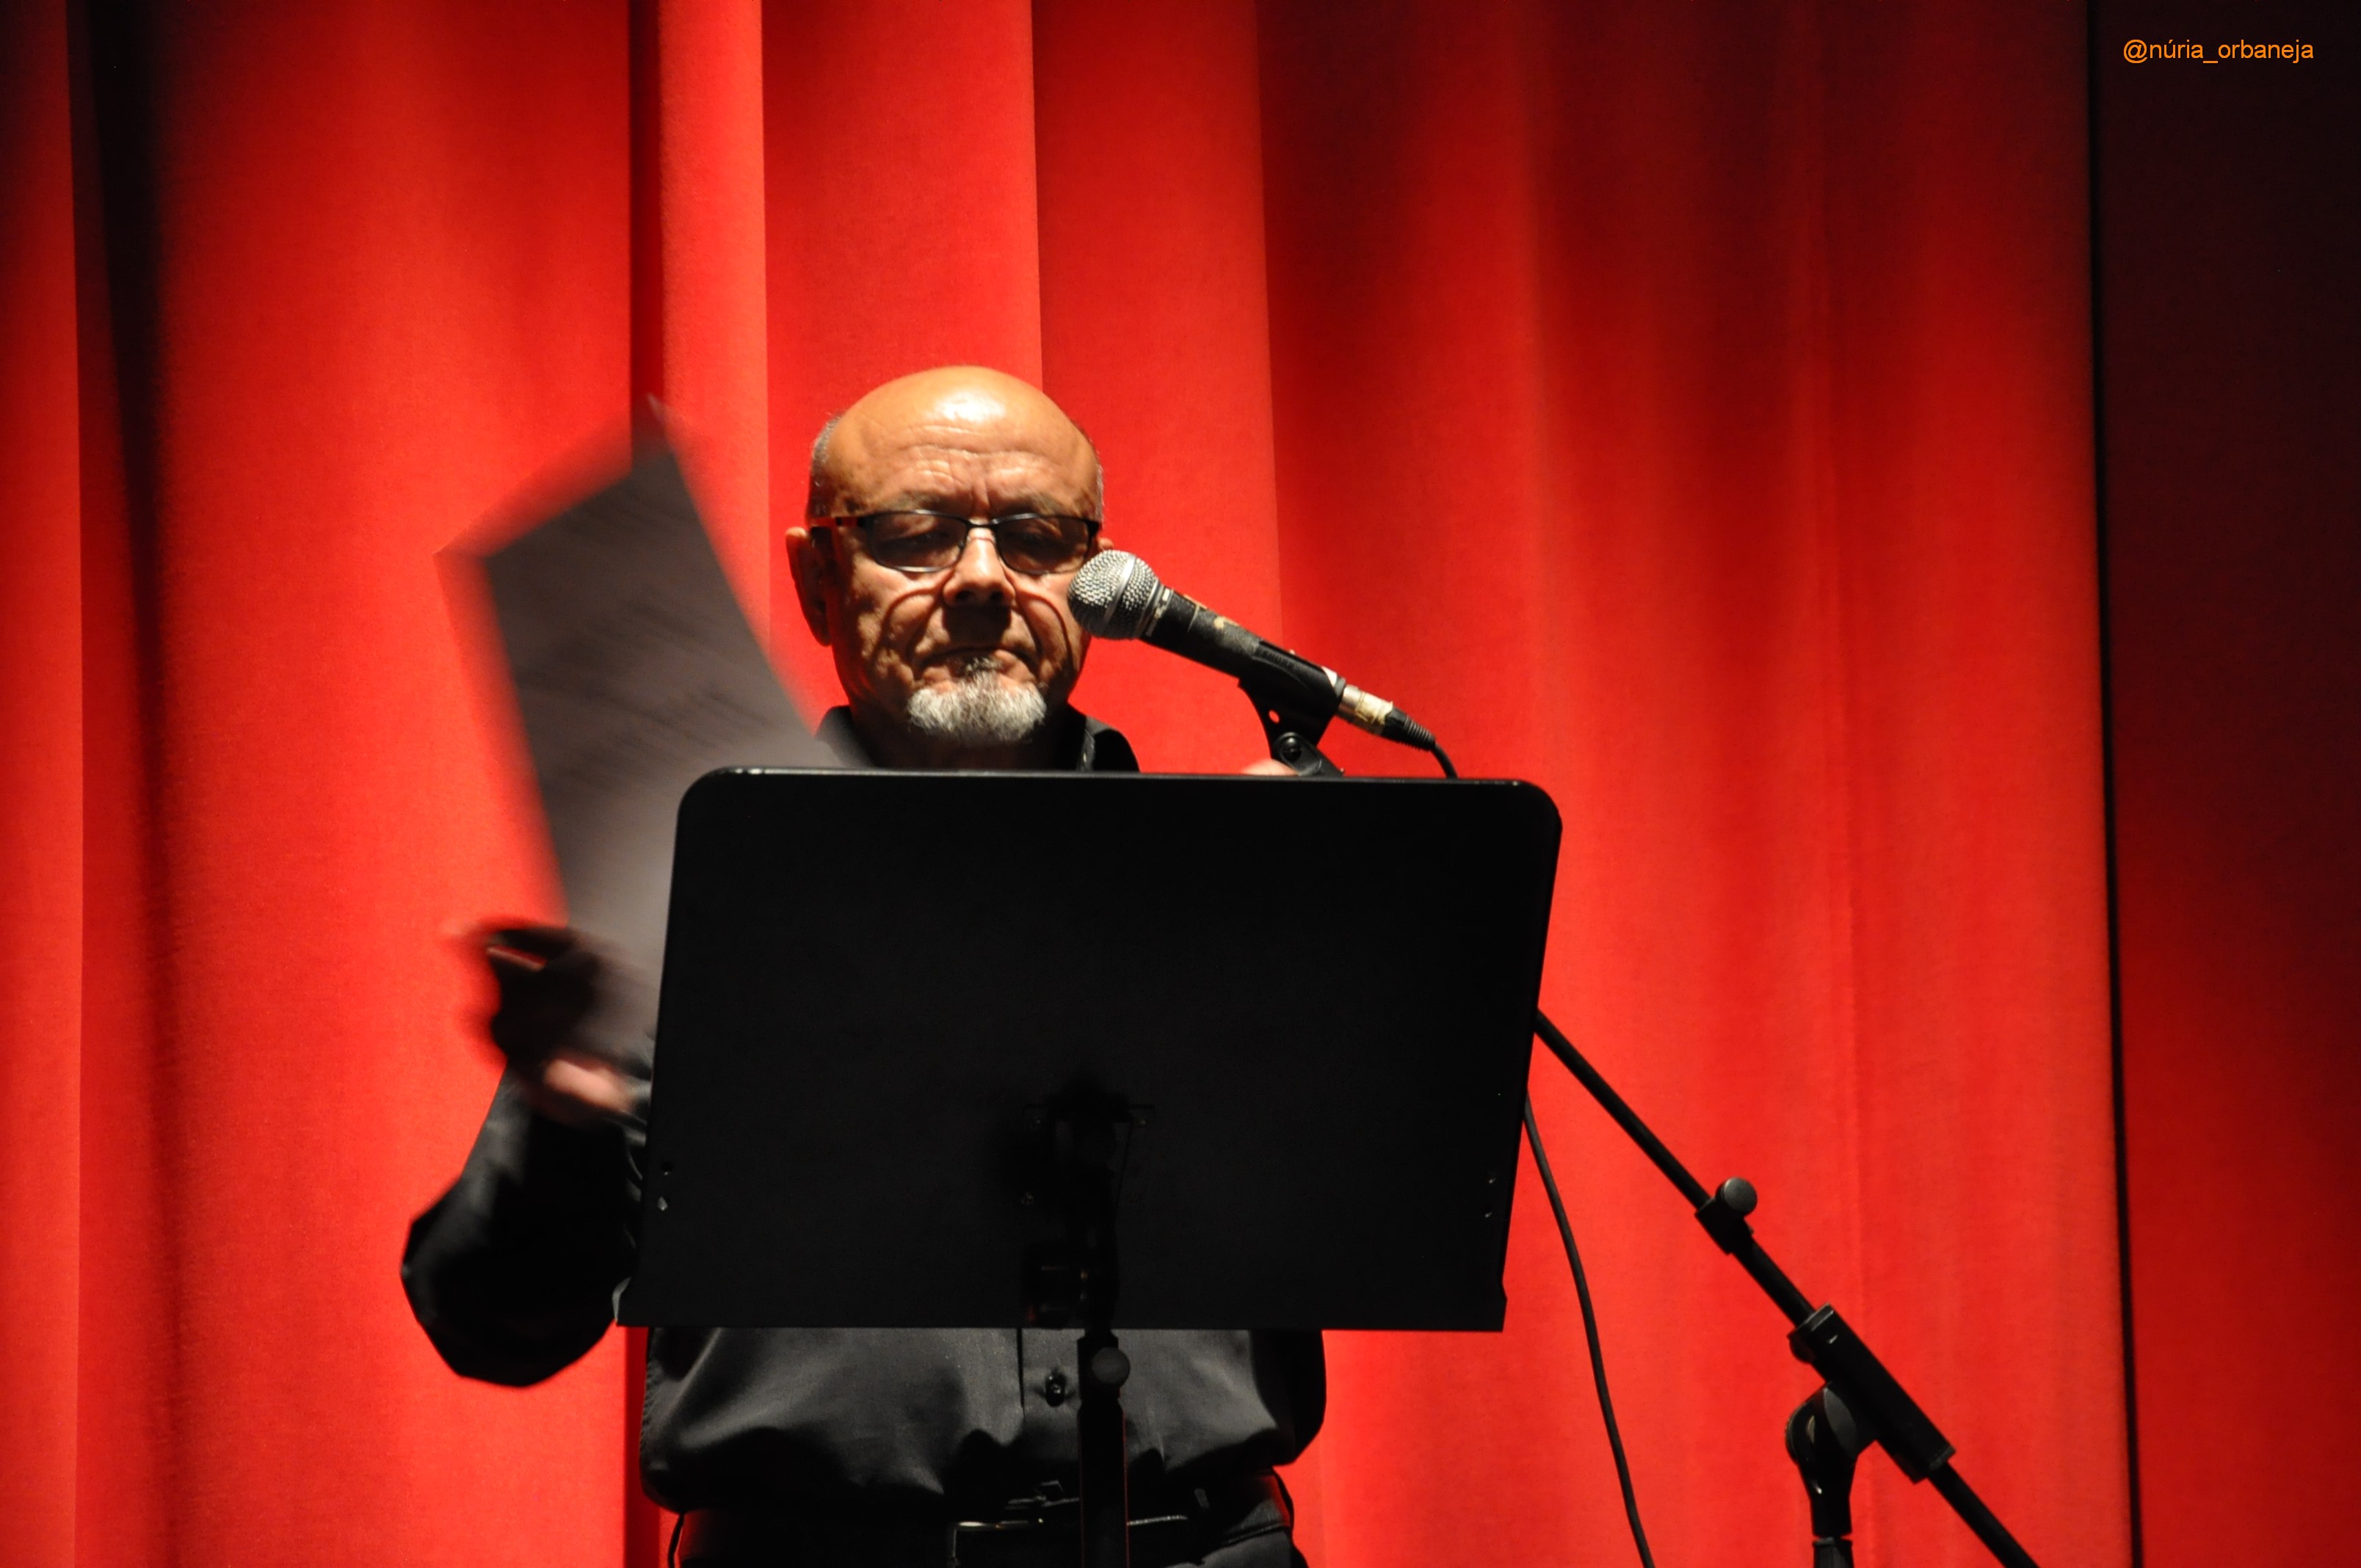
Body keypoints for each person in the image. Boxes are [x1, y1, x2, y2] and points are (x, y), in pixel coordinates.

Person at [402, 367, 1322, 1567]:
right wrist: (563, 1117)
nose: (983, 580)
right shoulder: (703, 888)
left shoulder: (1225, 879)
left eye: (1036, 539)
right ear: (818, 580)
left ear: (1094, 580)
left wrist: (1339, 962)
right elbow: (492, 1327)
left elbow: (1387, 1205)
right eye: (916, 534)